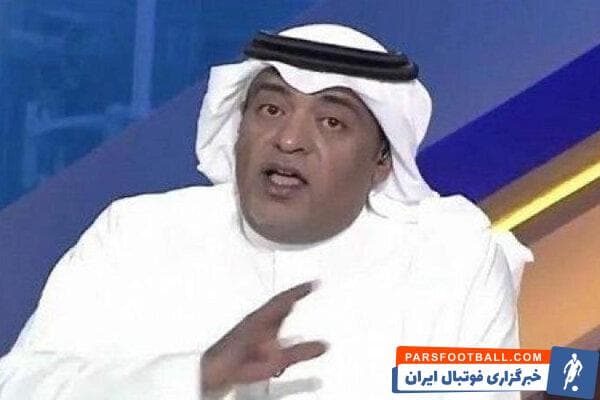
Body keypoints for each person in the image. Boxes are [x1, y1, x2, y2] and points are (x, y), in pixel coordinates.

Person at [0, 24, 533, 399]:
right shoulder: (137, 233)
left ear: (381, 160)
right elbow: (19, 386)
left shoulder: (452, 257)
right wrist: (196, 376)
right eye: (271, 109)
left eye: (331, 122)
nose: (289, 139)